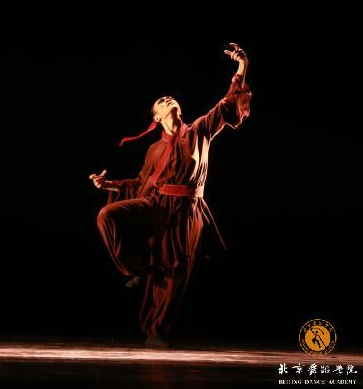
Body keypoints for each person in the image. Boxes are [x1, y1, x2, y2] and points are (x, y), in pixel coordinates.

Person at [89, 43, 252, 348]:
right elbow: (141, 182)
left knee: (175, 270)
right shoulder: (154, 148)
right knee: (107, 215)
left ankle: (157, 332)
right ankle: (137, 267)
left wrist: (241, 67)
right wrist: (108, 184)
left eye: (170, 98)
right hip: (156, 205)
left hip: (186, 210)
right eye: (161, 101)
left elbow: (226, 105)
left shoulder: (198, 131)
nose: (168, 99)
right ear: (156, 117)